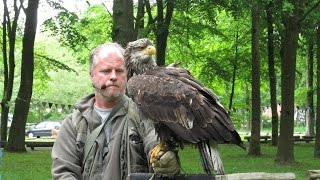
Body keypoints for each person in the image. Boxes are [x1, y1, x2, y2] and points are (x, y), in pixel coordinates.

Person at [51, 42, 180, 180]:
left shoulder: (145, 113)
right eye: (106, 71)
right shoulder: (73, 123)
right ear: (92, 76)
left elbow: (154, 142)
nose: (113, 76)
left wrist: (164, 161)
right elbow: (63, 173)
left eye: (119, 71)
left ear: (127, 74)